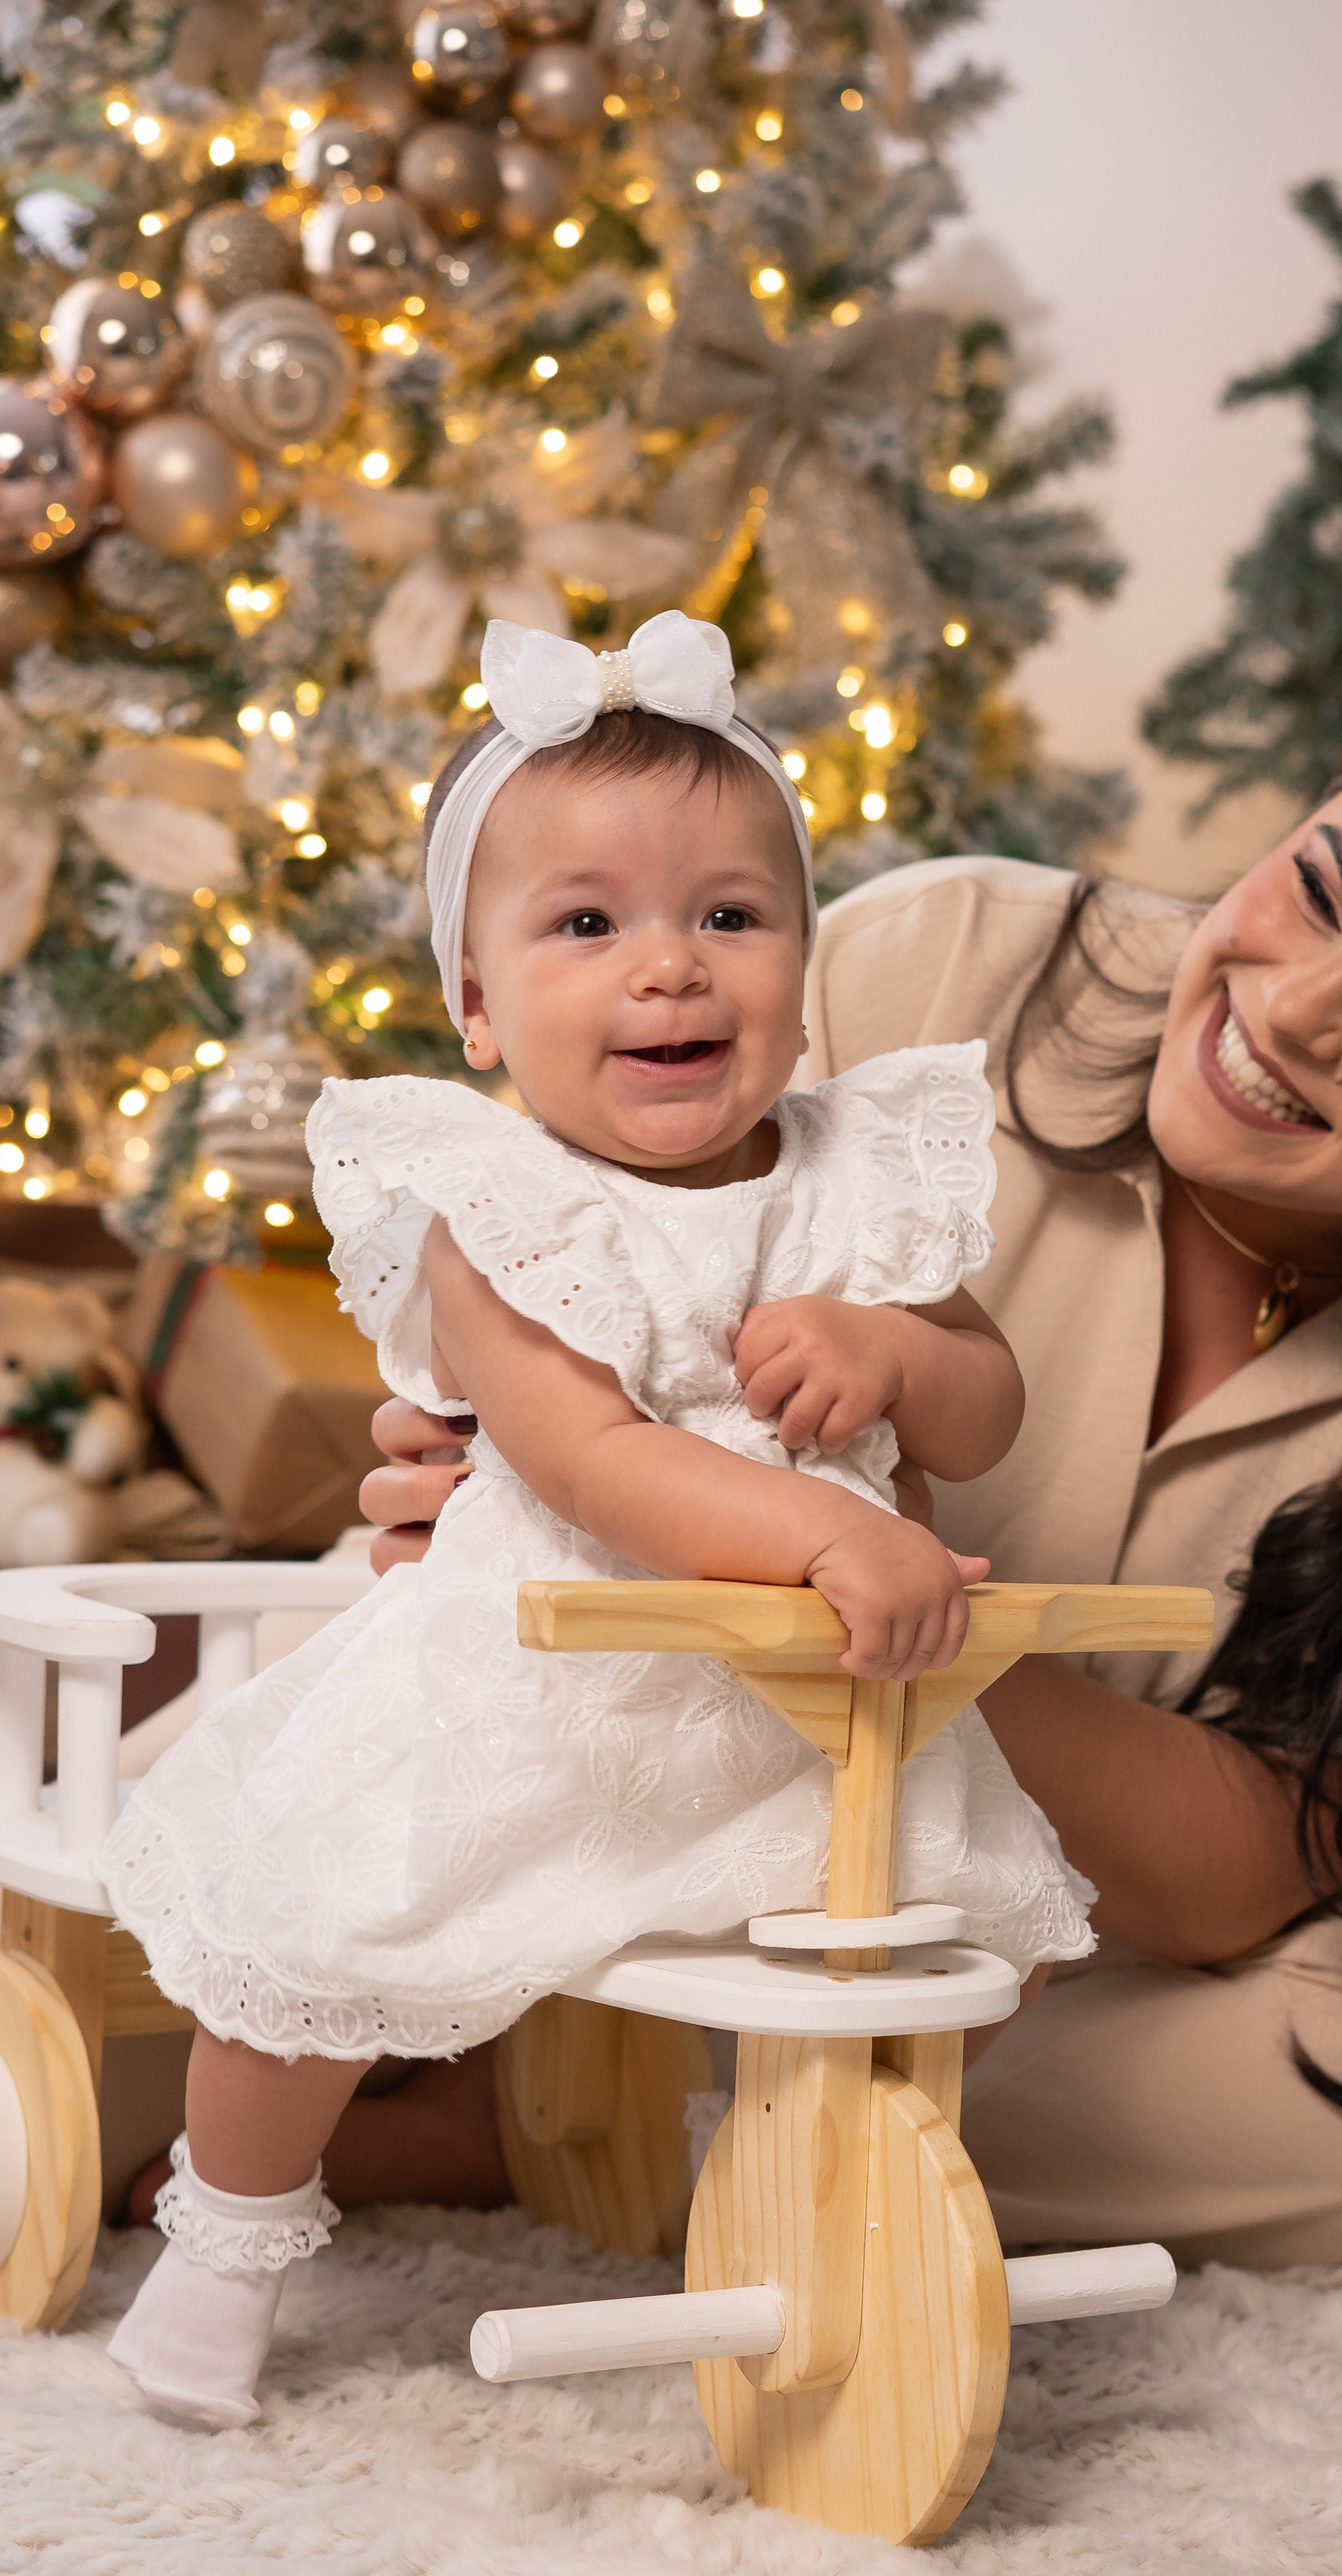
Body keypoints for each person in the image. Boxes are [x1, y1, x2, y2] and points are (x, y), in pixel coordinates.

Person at [355, 646, 1342, 2270]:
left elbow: (1246, 1878)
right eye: (1313, 888)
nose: (1283, 1015)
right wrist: (502, 1454)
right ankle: (680, 2112)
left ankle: (656, 2140)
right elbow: (579, 1222)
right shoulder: (943, 968)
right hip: (678, 1765)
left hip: (1110, 1930)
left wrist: (874, 1603)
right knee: (311, 1745)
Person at [104, 612, 1094, 2429]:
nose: (669, 970)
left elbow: (988, 1396)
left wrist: (890, 1349)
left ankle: (767, 2172)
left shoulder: (858, 1171)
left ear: (801, 967)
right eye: (585, 924)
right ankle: (226, 2237)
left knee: (954, 1959)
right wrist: (818, 1527)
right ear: (475, 1006)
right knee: (315, 1944)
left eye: (731, 916)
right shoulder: (495, 1197)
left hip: (800, 1715)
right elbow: (592, 1459)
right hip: (536, 1682)